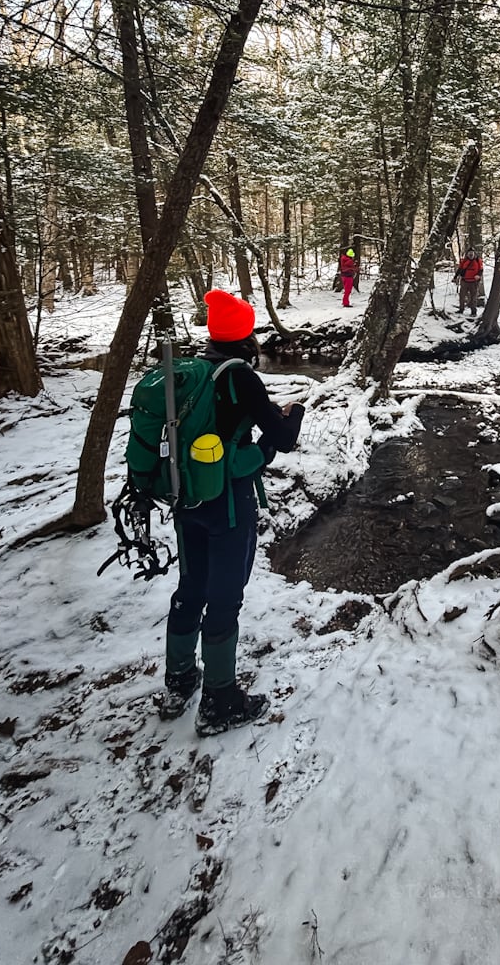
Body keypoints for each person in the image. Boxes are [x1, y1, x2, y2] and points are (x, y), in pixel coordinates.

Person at [161, 288, 303, 735]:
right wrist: (295, 413)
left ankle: (178, 682)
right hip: (228, 503)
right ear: (245, 335)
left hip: (186, 497)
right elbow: (282, 439)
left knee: (191, 588)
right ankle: (220, 701)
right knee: (225, 597)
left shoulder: (192, 372)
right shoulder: (240, 376)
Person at [453, 248, 484, 316]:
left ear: (474, 254)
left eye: (472, 253)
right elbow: (460, 269)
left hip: (474, 282)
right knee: (462, 296)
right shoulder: (464, 261)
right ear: (467, 254)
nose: (471, 255)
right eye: (469, 253)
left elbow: (481, 270)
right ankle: (461, 309)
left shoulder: (478, 260)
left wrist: (478, 275)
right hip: (464, 281)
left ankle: (473, 312)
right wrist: (455, 277)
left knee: (473, 297)